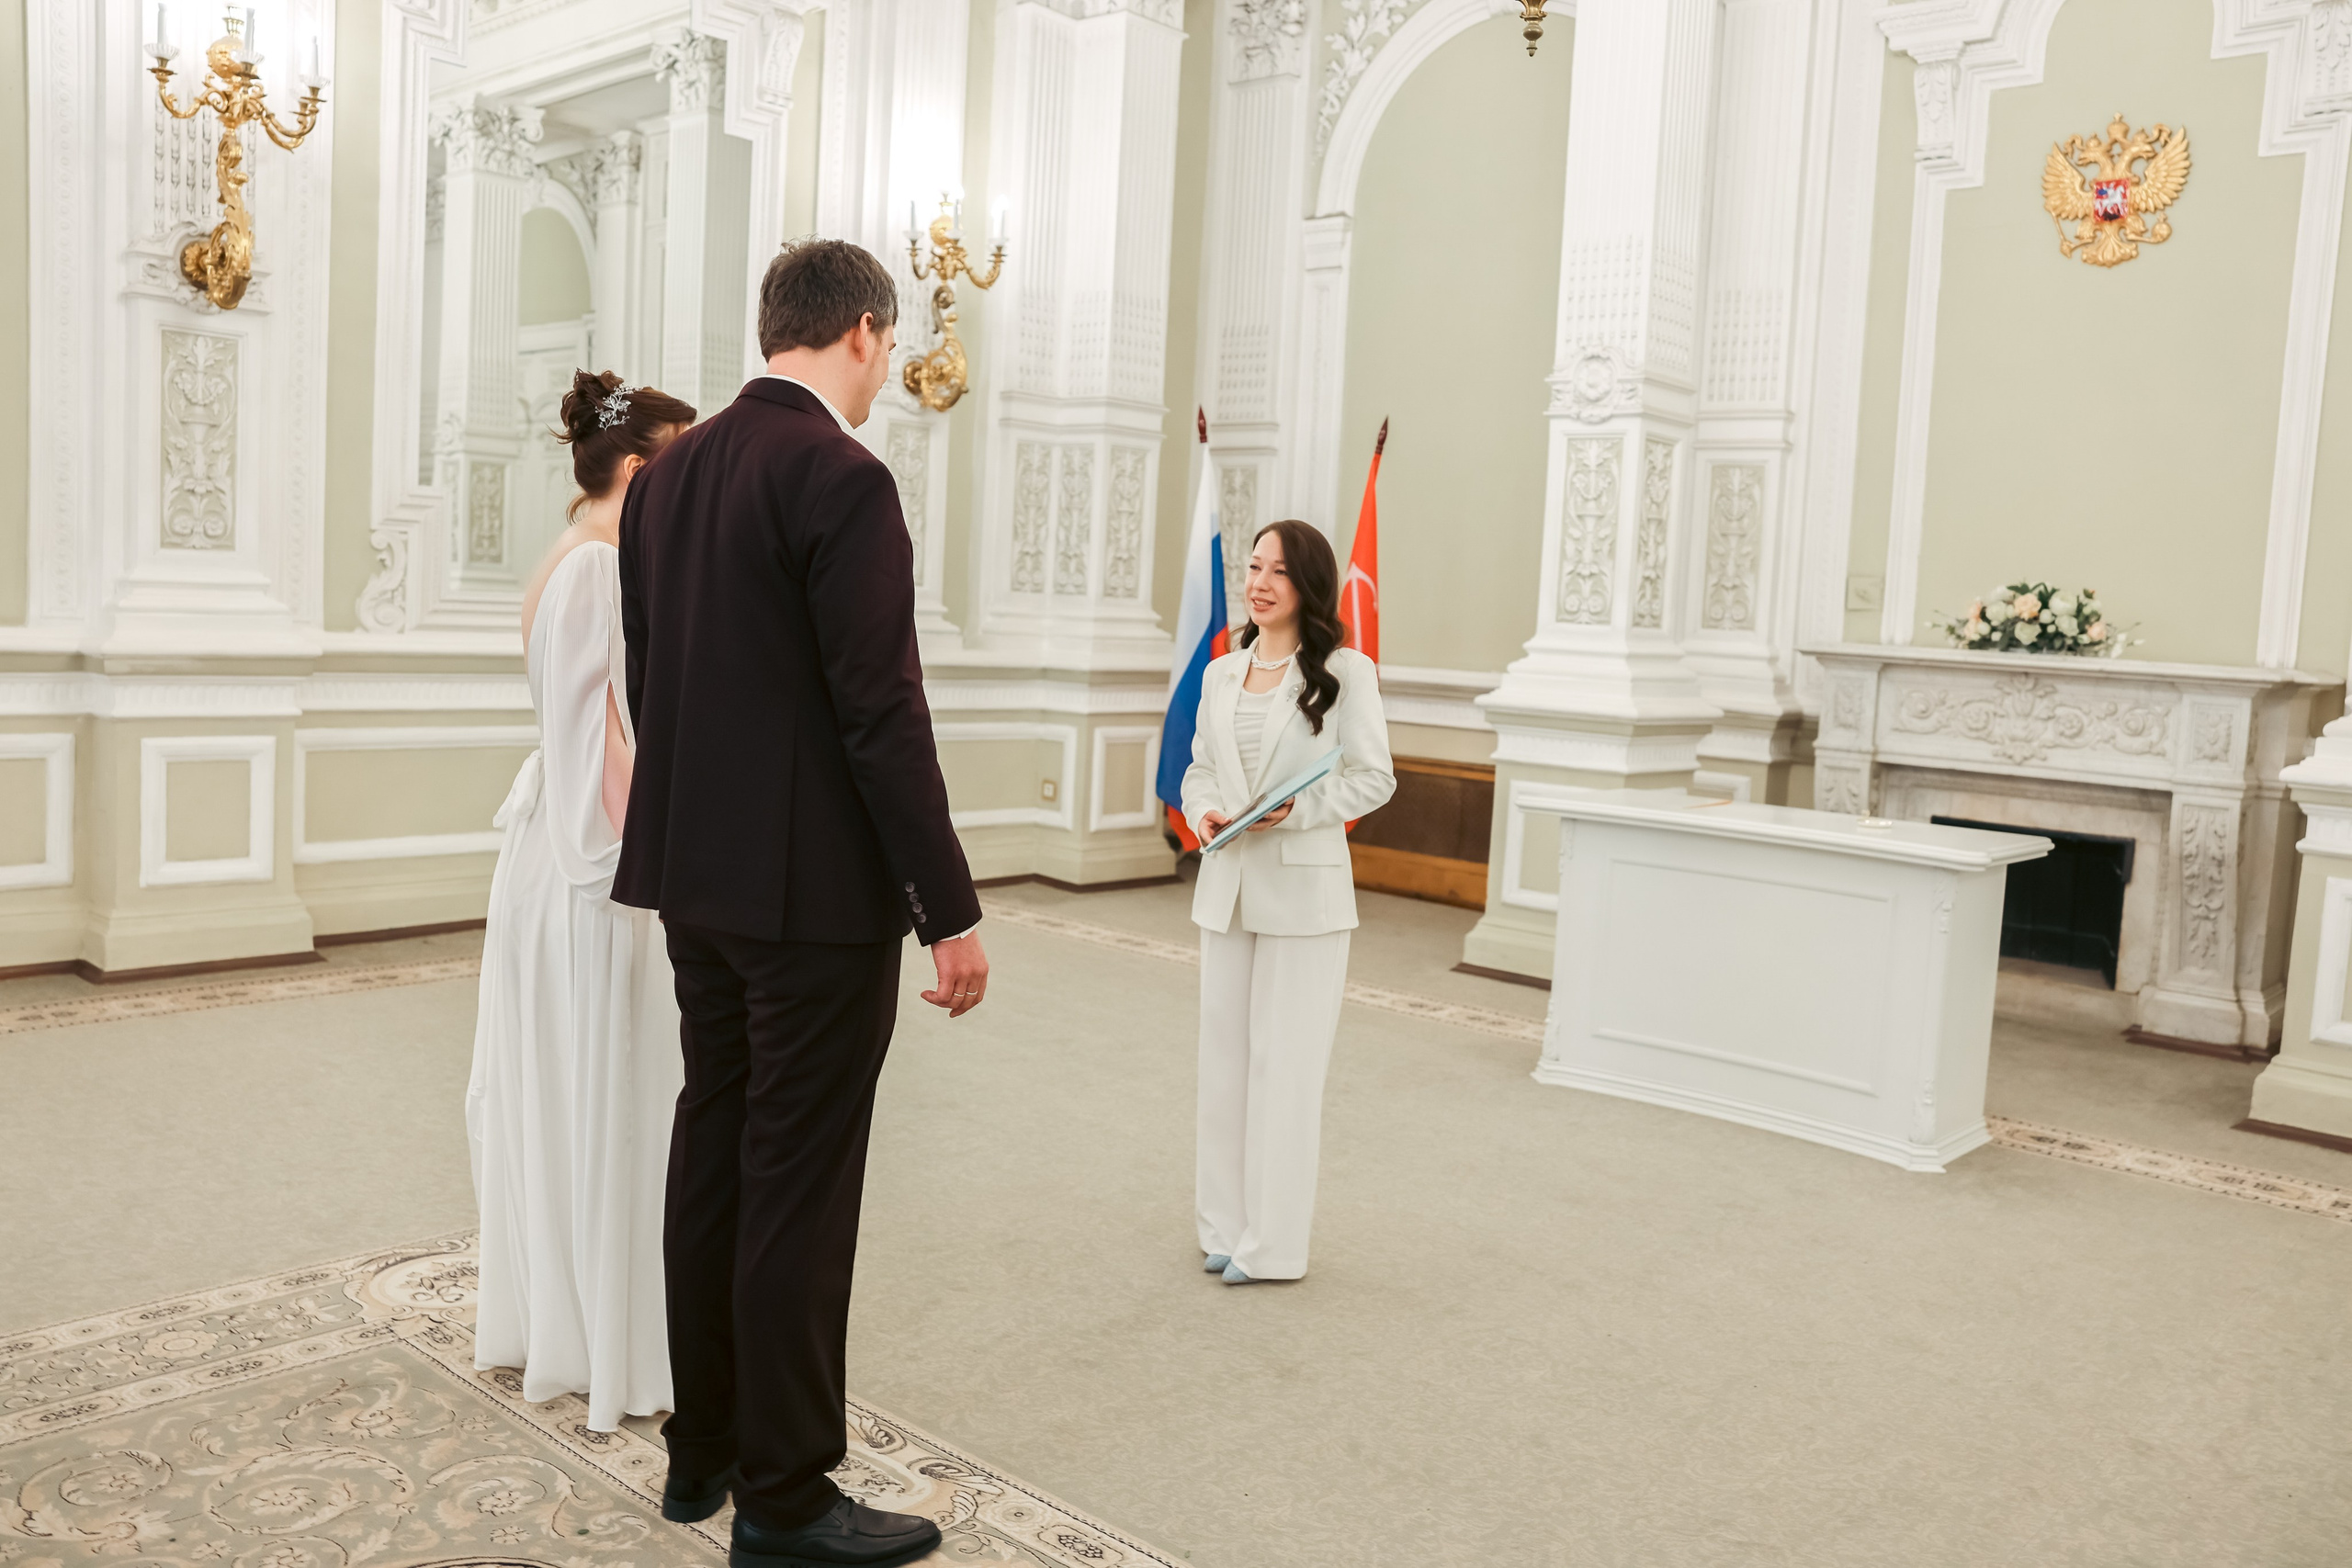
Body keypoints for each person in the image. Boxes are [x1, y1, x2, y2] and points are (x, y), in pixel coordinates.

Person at [613, 239, 989, 1568]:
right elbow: (880, 708)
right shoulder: (842, 473)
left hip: (694, 883)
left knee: (713, 1145)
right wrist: (948, 904)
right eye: (886, 349)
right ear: (870, 334)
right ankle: (784, 1495)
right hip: (814, 900)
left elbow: (650, 687)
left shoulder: (669, 478)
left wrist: (696, 830)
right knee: (797, 1186)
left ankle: (701, 1448)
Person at [466, 369, 698, 1431]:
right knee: (613, 1085)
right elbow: (606, 749)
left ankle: (564, 1316)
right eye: (684, 466)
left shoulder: (561, 558)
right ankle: (615, 1344)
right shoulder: (606, 568)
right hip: (596, 867)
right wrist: (674, 859)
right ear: (644, 470)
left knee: (561, 1086)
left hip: (541, 860)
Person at [1182, 519, 1396, 1286]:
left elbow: (1374, 778)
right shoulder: (1219, 674)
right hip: (1228, 885)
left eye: (1278, 570)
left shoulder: (1347, 670)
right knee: (1225, 1063)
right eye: (1253, 565)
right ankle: (1223, 1226)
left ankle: (1272, 1247)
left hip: (1305, 893)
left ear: (1309, 585)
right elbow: (1201, 767)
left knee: (1286, 1068)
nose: (1259, 581)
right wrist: (1203, 809)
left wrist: (1295, 810)